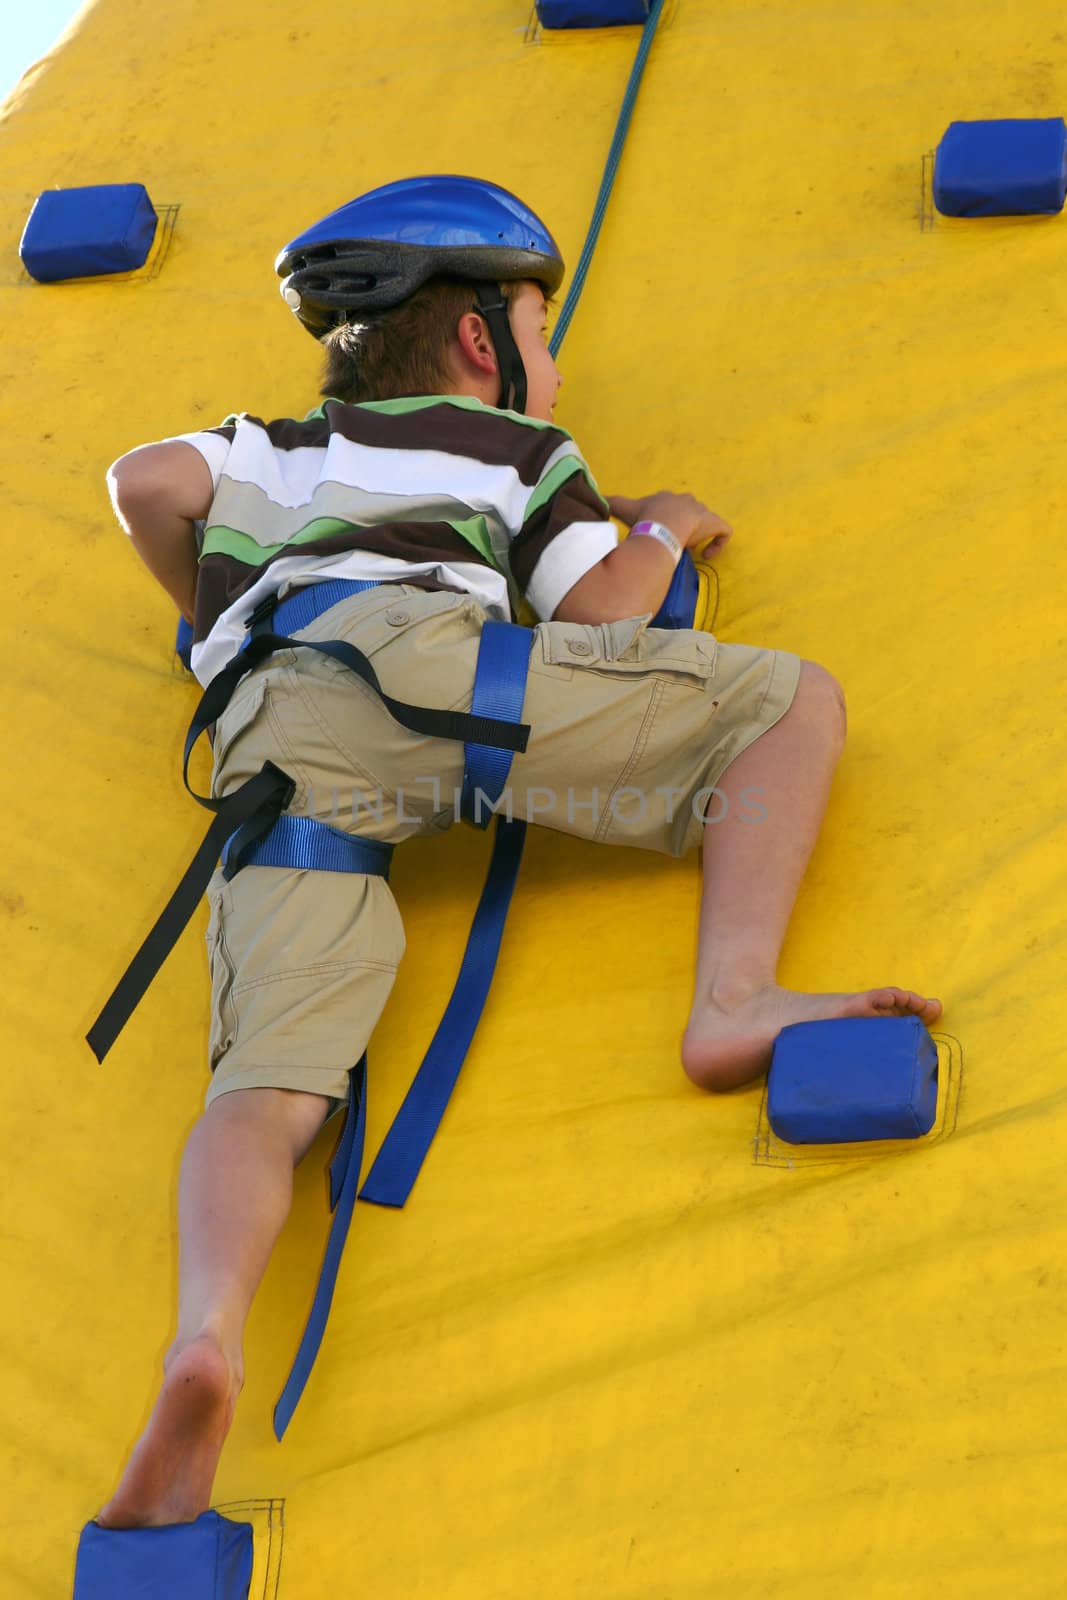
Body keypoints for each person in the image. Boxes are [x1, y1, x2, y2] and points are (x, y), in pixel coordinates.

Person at [95, 175, 941, 1529]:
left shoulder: (275, 447)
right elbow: (607, 610)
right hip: (427, 676)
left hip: (267, 741)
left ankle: (205, 1337)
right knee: (788, 703)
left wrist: (212, 615)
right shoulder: (505, 450)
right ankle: (735, 1000)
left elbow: (141, 482)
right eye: (543, 331)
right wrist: (664, 524)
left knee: (265, 1085)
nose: (548, 362)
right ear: (485, 342)